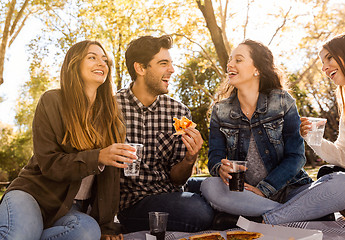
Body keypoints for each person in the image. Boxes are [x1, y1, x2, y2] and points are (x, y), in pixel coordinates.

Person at [200, 39, 345, 225]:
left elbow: (296, 157)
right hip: (246, 192)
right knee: (209, 186)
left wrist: (264, 189)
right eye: (230, 60)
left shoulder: (282, 102)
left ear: (257, 69)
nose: (324, 68)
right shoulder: (220, 111)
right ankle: (298, 212)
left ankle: (264, 219)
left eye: (239, 59)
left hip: (290, 190)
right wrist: (220, 168)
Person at [0, 40, 135, 240]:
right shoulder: (52, 101)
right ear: (74, 64)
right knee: (19, 235)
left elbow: (110, 179)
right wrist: (98, 156)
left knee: (87, 233)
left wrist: (107, 227)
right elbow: (50, 163)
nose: (101, 63)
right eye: (92, 57)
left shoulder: (112, 117)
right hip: (32, 195)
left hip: (69, 208)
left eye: (105, 60)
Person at [116, 35, 214, 232]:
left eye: (171, 63)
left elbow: (177, 179)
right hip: (134, 202)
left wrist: (190, 158)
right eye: (163, 63)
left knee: (217, 187)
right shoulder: (111, 108)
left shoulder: (179, 112)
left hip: (171, 192)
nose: (172, 70)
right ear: (140, 68)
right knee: (197, 210)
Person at [300, 33, 345, 219]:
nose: (325, 68)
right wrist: (311, 136)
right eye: (322, 63)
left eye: (330, 58)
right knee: (329, 172)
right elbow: (344, 157)